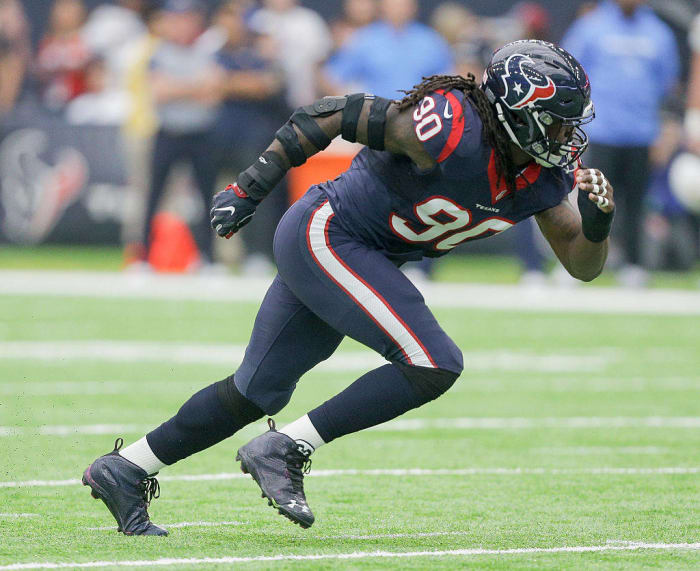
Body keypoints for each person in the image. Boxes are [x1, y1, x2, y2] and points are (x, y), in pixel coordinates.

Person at [82, 40, 614, 535]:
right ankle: (286, 448)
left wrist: (596, 224)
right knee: (432, 361)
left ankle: (127, 468)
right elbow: (331, 112)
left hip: (363, 255)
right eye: (558, 123)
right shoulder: (451, 128)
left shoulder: (542, 176)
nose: (569, 137)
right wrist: (251, 185)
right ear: (516, 113)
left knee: (255, 392)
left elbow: (581, 266)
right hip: (331, 231)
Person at [562, 0, 679, 287]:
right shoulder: (591, 26)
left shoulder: (659, 33)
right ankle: (574, 261)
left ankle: (634, 265)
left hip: (642, 133)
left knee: (636, 203)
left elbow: (667, 84)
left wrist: (665, 129)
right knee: (589, 199)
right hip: (601, 131)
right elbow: (568, 72)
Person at [134, 0, 222, 271]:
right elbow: (159, 92)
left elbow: (214, 93)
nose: (182, 25)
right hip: (169, 132)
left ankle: (207, 258)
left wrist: (178, 88)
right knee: (153, 197)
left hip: (201, 133)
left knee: (208, 198)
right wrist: (194, 88)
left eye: (188, 19)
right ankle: (144, 258)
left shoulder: (209, 50)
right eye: (177, 19)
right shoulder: (159, 52)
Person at [323, 0, 453, 99]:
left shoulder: (431, 40)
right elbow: (333, 77)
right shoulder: (364, 39)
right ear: (382, 5)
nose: (399, 6)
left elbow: (450, 77)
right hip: (374, 118)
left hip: (419, 117)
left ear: (414, 6)